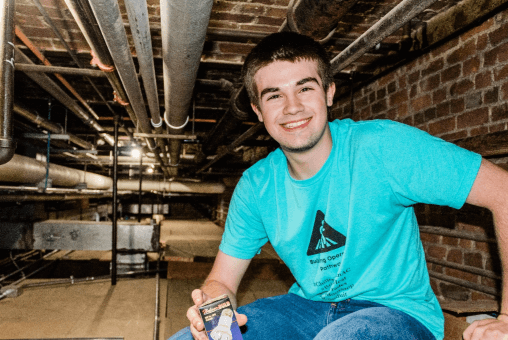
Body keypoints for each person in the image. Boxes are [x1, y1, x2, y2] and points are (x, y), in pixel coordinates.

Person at [169, 31, 508, 340]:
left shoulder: (382, 148)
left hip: (395, 314)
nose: (292, 107)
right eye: (274, 96)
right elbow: (222, 281)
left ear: (329, 93)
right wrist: (211, 309)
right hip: (307, 309)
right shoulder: (256, 186)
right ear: (258, 111)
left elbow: (503, 190)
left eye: (305, 88)